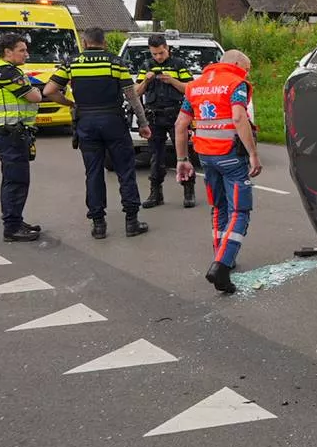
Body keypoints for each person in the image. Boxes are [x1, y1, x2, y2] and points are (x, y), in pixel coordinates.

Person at [43, 27, 153, 239]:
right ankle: (131, 221)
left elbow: (49, 91)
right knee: (125, 171)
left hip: (86, 122)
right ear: (104, 43)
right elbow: (132, 96)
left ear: (84, 43)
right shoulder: (115, 62)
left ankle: (98, 224)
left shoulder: (71, 63)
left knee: (93, 173)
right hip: (113, 121)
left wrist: (70, 103)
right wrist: (143, 123)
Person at [175, 49, 262, 294]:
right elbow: (238, 117)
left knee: (219, 207)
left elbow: (181, 124)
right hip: (231, 156)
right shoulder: (236, 83)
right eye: (247, 67)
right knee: (240, 210)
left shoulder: (194, 86)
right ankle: (222, 265)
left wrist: (182, 158)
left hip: (206, 157)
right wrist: (253, 153)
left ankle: (222, 255)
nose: (247, 72)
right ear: (235, 63)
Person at [0, 32, 71, 242]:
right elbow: (35, 96)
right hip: (9, 133)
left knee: (16, 179)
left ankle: (15, 220)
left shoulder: (9, 70)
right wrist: (36, 90)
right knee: (15, 180)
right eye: (22, 50)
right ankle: (12, 228)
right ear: (8, 52)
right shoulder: (5, 71)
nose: (26, 54)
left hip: (12, 132)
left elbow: (33, 92)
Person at [134, 33, 196, 209]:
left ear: (166, 48)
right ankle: (156, 193)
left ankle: (188, 190)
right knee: (156, 155)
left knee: (183, 153)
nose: (158, 57)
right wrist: (146, 80)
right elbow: (136, 92)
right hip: (154, 116)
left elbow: (190, 88)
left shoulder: (179, 64)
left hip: (176, 115)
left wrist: (172, 81)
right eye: (155, 54)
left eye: (161, 53)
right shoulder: (146, 65)